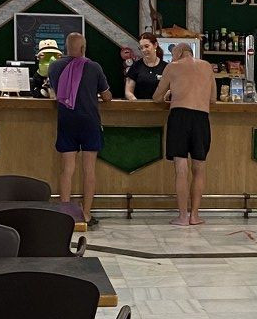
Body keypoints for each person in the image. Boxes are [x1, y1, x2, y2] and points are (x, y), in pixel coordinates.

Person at [45, 32, 111, 226]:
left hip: (66, 121)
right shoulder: (94, 67)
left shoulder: (54, 67)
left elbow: (56, 92)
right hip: (89, 121)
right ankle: (86, 214)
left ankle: (66, 214)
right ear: (83, 48)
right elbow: (106, 96)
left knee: (67, 169)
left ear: (66, 47)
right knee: (89, 170)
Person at [152, 42, 213, 226]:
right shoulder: (207, 66)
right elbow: (213, 99)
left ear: (178, 53)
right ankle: (195, 216)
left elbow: (156, 97)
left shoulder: (172, 67)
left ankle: (182, 217)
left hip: (179, 117)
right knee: (199, 168)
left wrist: (171, 92)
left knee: (181, 168)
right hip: (201, 118)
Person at [124, 32, 167, 100]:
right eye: (141, 48)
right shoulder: (135, 66)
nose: (144, 50)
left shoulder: (166, 67)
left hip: (160, 105)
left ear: (155, 45)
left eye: (147, 46)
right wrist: (137, 103)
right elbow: (128, 92)